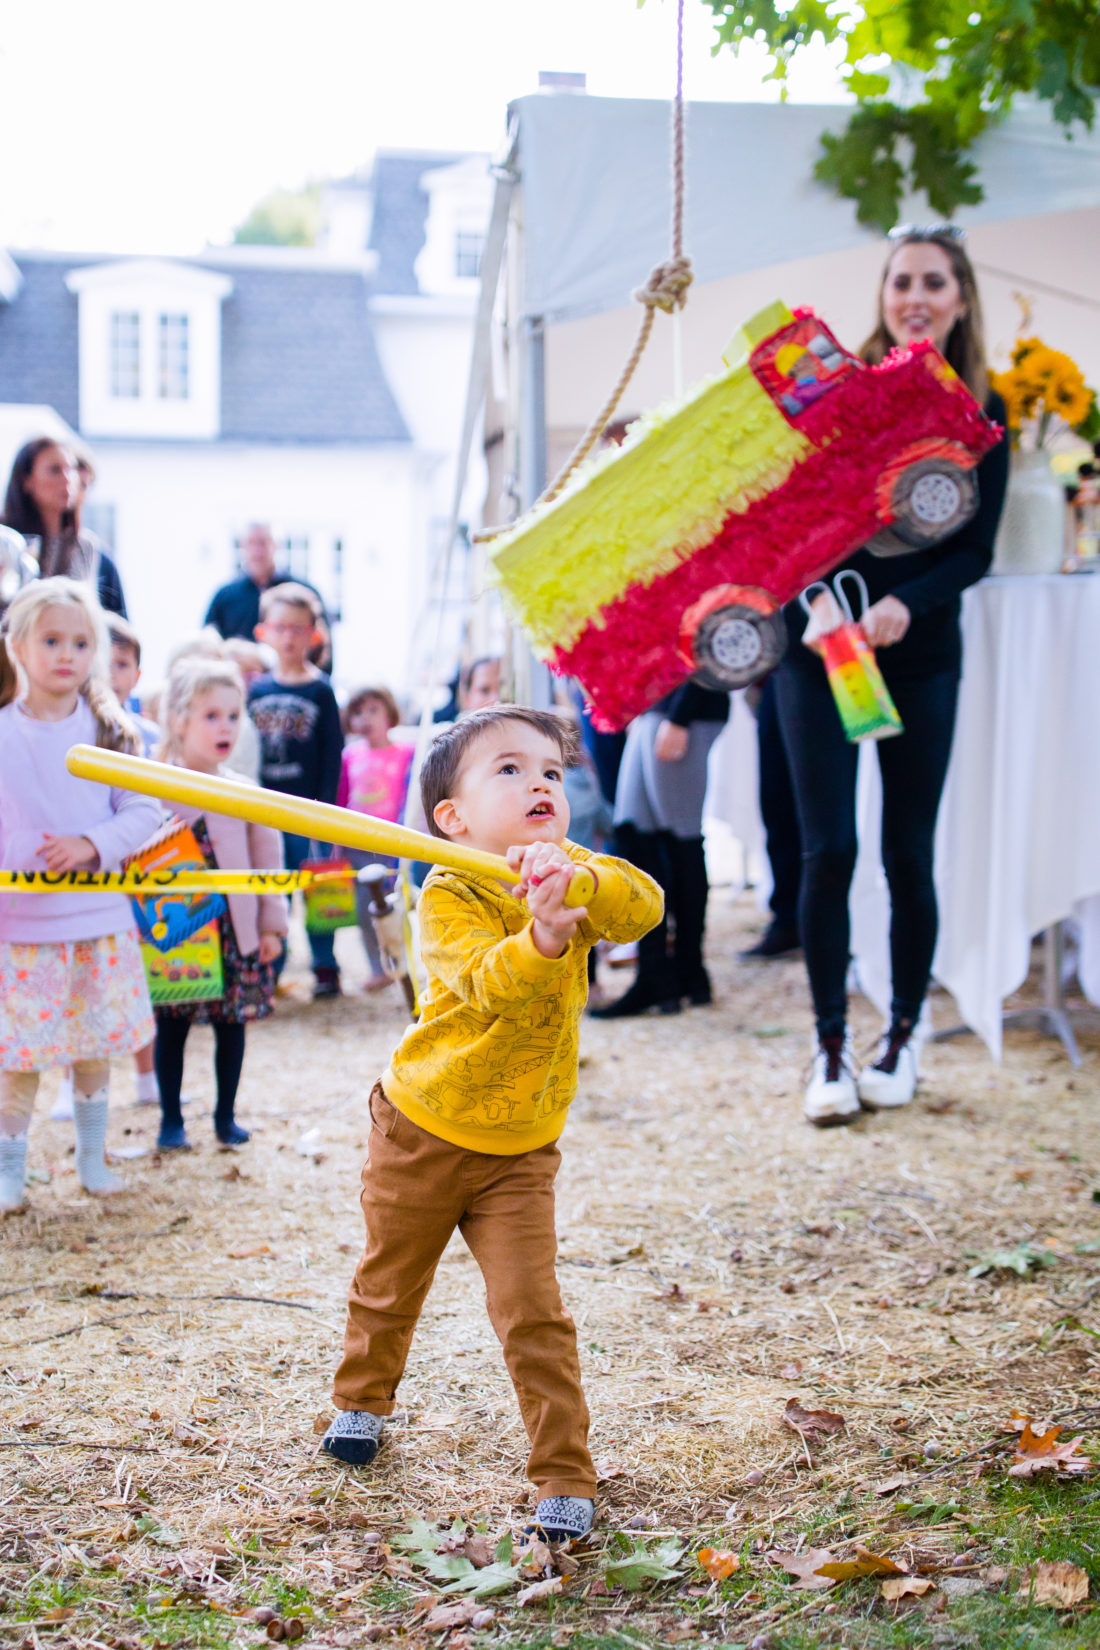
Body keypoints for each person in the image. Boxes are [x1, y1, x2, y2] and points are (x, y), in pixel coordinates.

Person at [320, 706, 663, 1543]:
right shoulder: (447, 893)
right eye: (508, 770)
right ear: (453, 818)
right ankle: (362, 1398)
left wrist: (574, 889)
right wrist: (545, 936)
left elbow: (643, 904)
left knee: (531, 1309)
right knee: (389, 1283)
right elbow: (486, 984)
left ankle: (564, 1474)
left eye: (549, 769)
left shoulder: (573, 868)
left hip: (519, 1151)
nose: (539, 782)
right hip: (422, 1130)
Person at [774, 228, 1009, 1127]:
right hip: (820, 650)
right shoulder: (841, 392)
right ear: (883, 294)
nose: (916, 294)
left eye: (934, 281)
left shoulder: (987, 409)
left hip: (920, 658)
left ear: (960, 296)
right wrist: (815, 604)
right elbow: (789, 518)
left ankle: (902, 1036)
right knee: (828, 849)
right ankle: (829, 1045)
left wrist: (910, 602)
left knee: (908, 853)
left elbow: (977, 552)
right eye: (901, 280)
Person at [0, 578, 160, 1212]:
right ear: (17, 642)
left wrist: (91, 843)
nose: (66, 654)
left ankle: (91, 1161)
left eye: (80, 642)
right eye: (51, 640)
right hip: (24, 929)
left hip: (97, 922)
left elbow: (143, 809)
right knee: (18, 1059)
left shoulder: (112, 732)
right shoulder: (2, 733)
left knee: (93, 1051)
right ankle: (11, 1174)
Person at [152, 657, 287, 1151]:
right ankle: (171, 1119)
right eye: (212, 715)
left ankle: (225, 1117)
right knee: (174, 1023)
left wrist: (272, 927)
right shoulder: (153, 787)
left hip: (236, 929)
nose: (225, 726)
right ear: (180, 720)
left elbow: (267, 863)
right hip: (179, 931)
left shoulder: (246, 793)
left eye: (234, 715)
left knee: (233, 1025)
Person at [49, 614, 162, 1126]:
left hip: (137, 882)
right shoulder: (41, 724)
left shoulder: (133, 733)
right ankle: (69, 1089)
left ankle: (146, 1077)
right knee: (72, 1000)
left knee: (134, 992)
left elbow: (147, 809)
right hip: (74, 886)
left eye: (122, 663)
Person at [591, 681, 728, 1018]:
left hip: (684, 708)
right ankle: (661, 974)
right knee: (633, 831)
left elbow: (706, 641)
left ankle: (689, 970)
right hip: (659, 706)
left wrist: (681, 716)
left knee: (681, 838)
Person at [248, 584, 344, 998]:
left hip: (309, 811)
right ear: (264, 632)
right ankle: (274, 967)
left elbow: (332, 753)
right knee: (274, 890)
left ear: (312, 635)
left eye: (297, 629)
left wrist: (325, 809)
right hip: (266, 811)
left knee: (320, 889)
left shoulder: (321, 691)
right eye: (280, 628)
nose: (288, 637)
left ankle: (326, 966)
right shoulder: (255, 690)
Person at [337, 686, 415, 993]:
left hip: (393, 843)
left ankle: (404, 964)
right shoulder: (350, 755)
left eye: (373, 710)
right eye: (358, 712)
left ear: (389, 714)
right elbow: (342, 799)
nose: (365, 718)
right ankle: (376, 967)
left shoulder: (406, 752)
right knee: (365, 909)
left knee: (398, 905)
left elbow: (411, 797)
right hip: (358, 845)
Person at [1, 439, 127, 615]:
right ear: (26, 481)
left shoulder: (85, 546)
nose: (67, 479)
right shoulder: (5, 542)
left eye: (71, 469)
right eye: (55, 470)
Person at [203, 523, 331, 672]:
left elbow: (323, 647)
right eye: (251, 543)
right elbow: (209, 646)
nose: (257, 551)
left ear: (276, 546)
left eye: (263, 543)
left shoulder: (303, 592)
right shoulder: (225, 596)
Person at [739, 675, 802, 960]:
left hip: (836, 665)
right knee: (777, 806)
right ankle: (788, 919)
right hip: (781, 676)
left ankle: (805, 920)